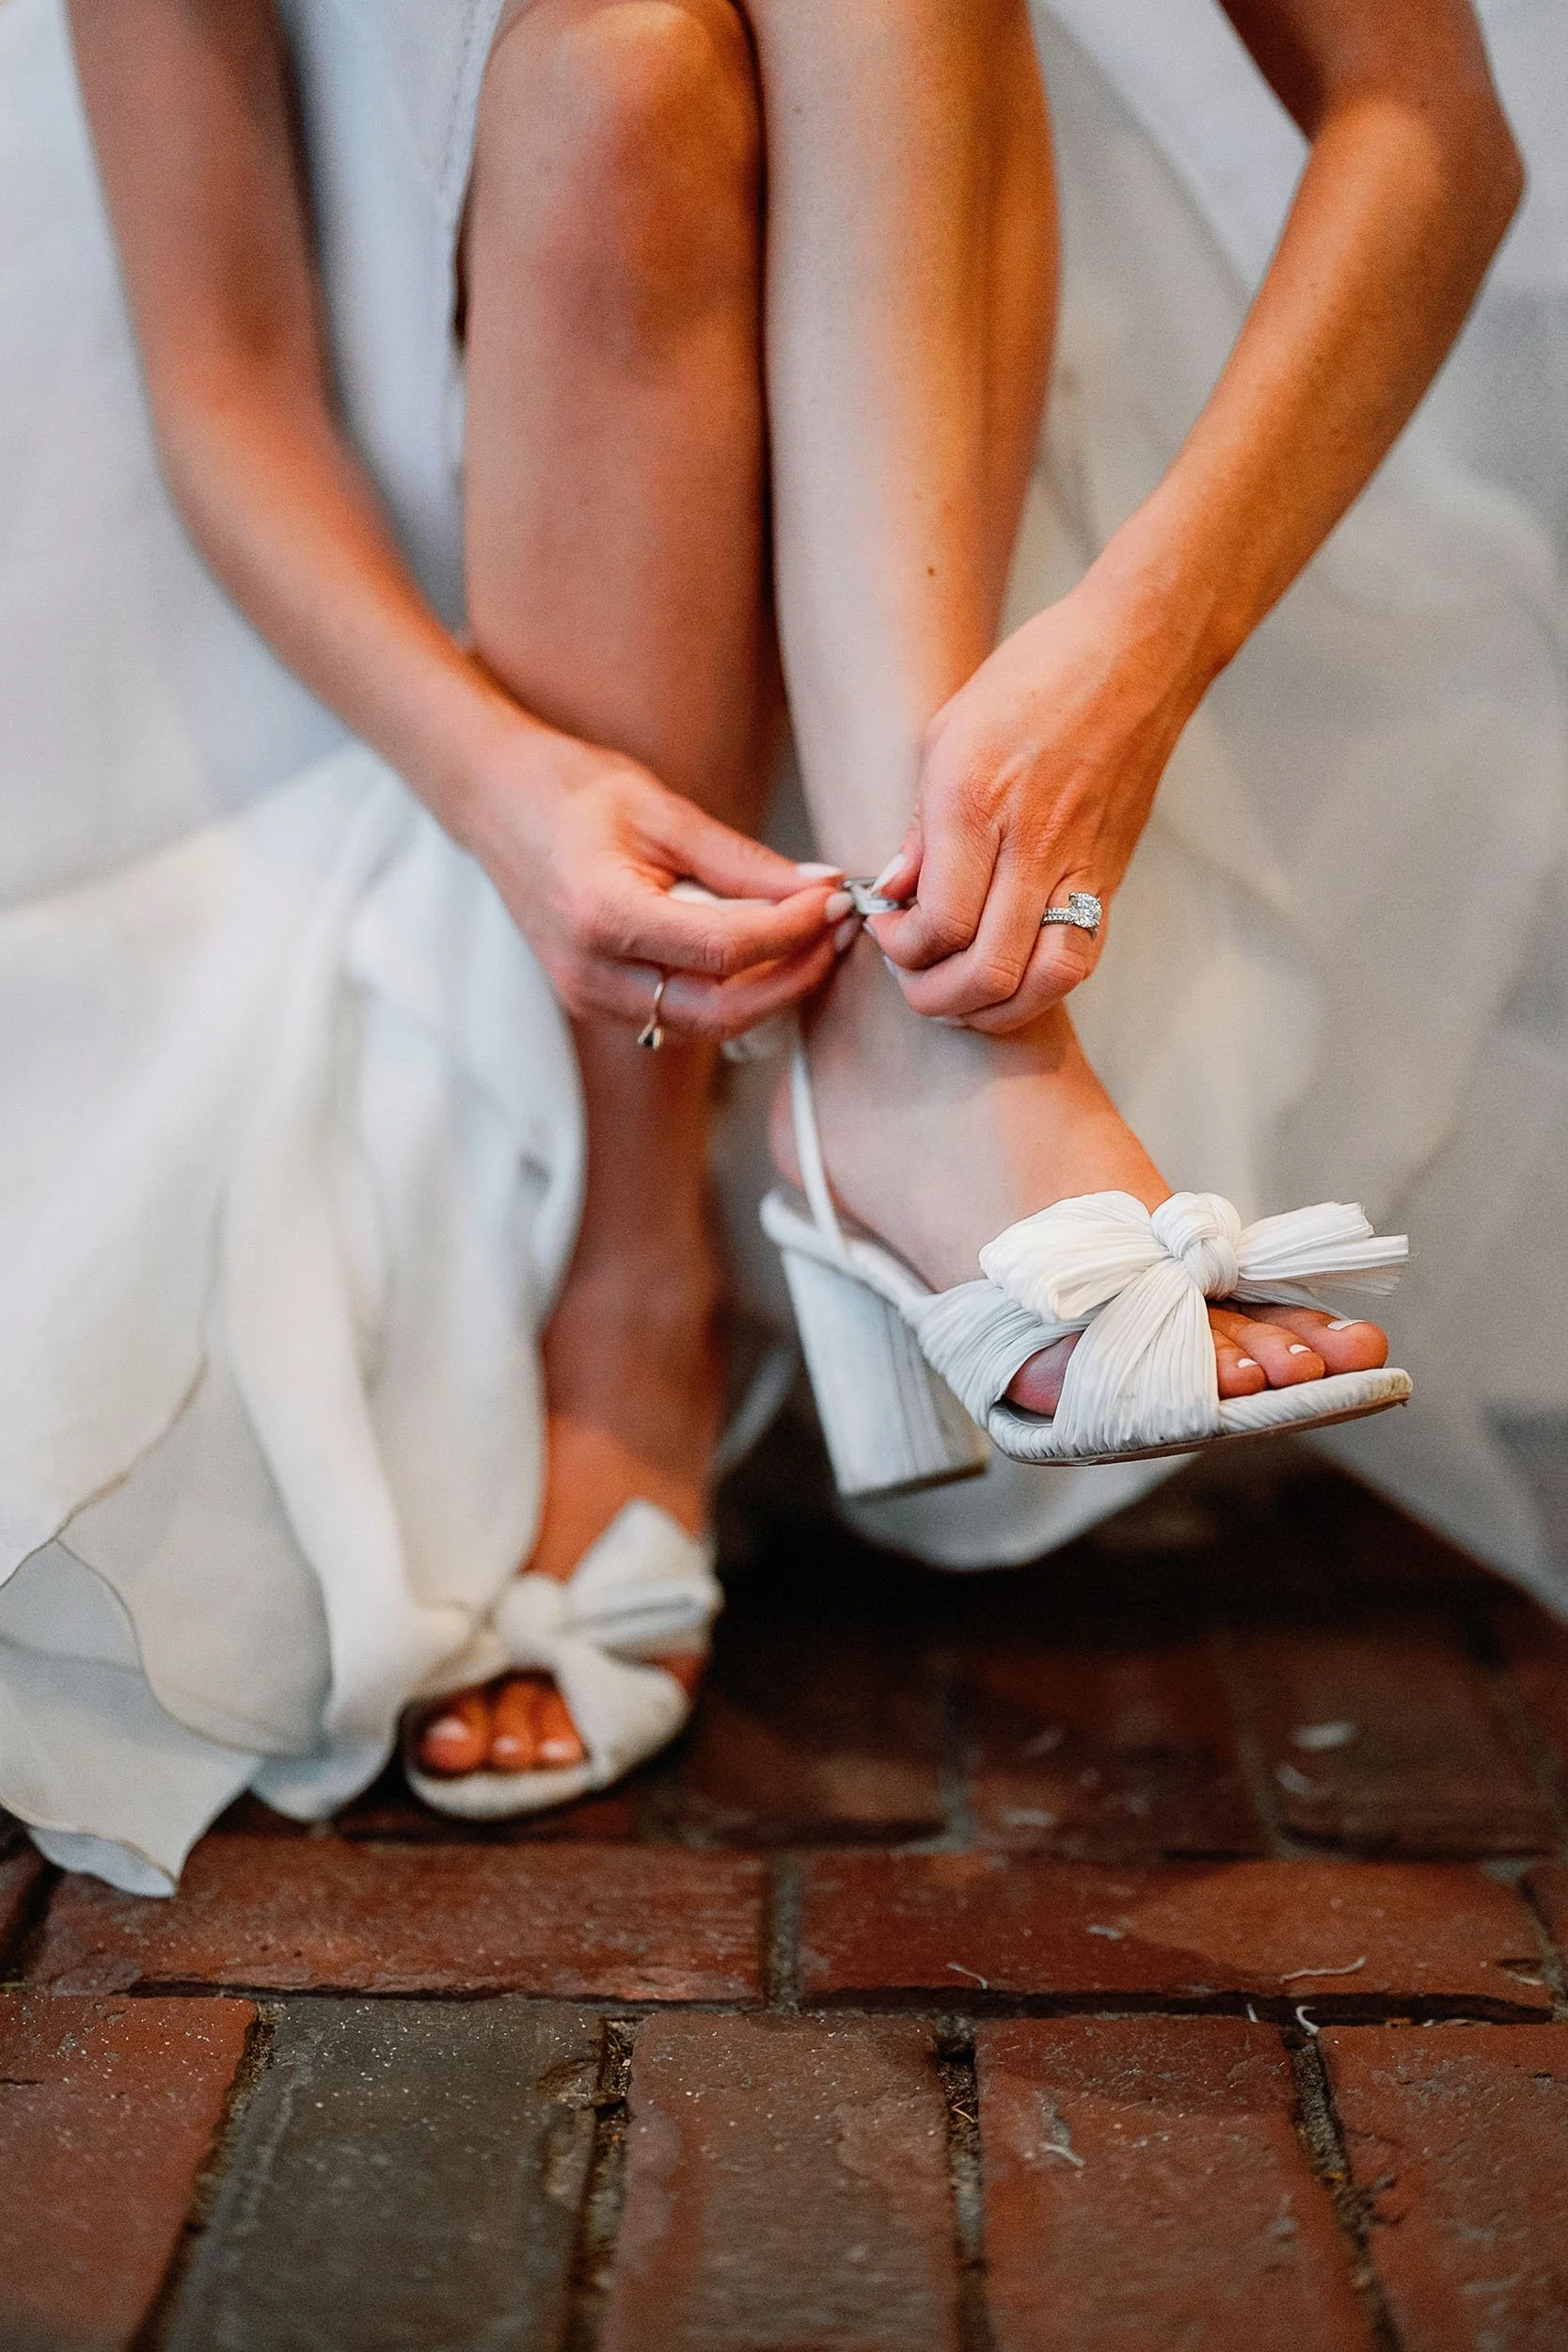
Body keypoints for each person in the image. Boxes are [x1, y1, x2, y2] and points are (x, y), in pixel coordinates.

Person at [0, 0, 1549, 1883]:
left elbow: (1424, 129)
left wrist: (1135, 662)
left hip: (926, 380)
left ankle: (921, 1042)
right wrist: (498, 782)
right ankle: (656, 1253)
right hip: (447, 483)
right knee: (610, 56)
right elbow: (225, 381)